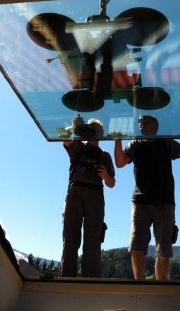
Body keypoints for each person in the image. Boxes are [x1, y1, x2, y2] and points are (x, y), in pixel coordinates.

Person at [114, 114, 180, 280]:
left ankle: (160, 287)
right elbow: (120, 163)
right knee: (137, 247)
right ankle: (139, 287)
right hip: (140, 201)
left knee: (163, 251)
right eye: (140, 123)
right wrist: (118, 141)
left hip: (164, 202)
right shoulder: (135, 144)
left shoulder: (166, 142)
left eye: (145, 123)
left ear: (155, 126)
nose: (141, 126)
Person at [60, 118, 115, 278]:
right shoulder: (78, 147)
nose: (93, 135)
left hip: (95, 195)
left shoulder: (105, 156)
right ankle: (67, 278)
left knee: (93, 240)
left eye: (94, 131)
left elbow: (112, 183)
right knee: (71, 236)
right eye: (90, 130)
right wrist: (74, 127)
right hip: (75, 191)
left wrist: (105, 175)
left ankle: (90, 279)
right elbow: (66, 139)